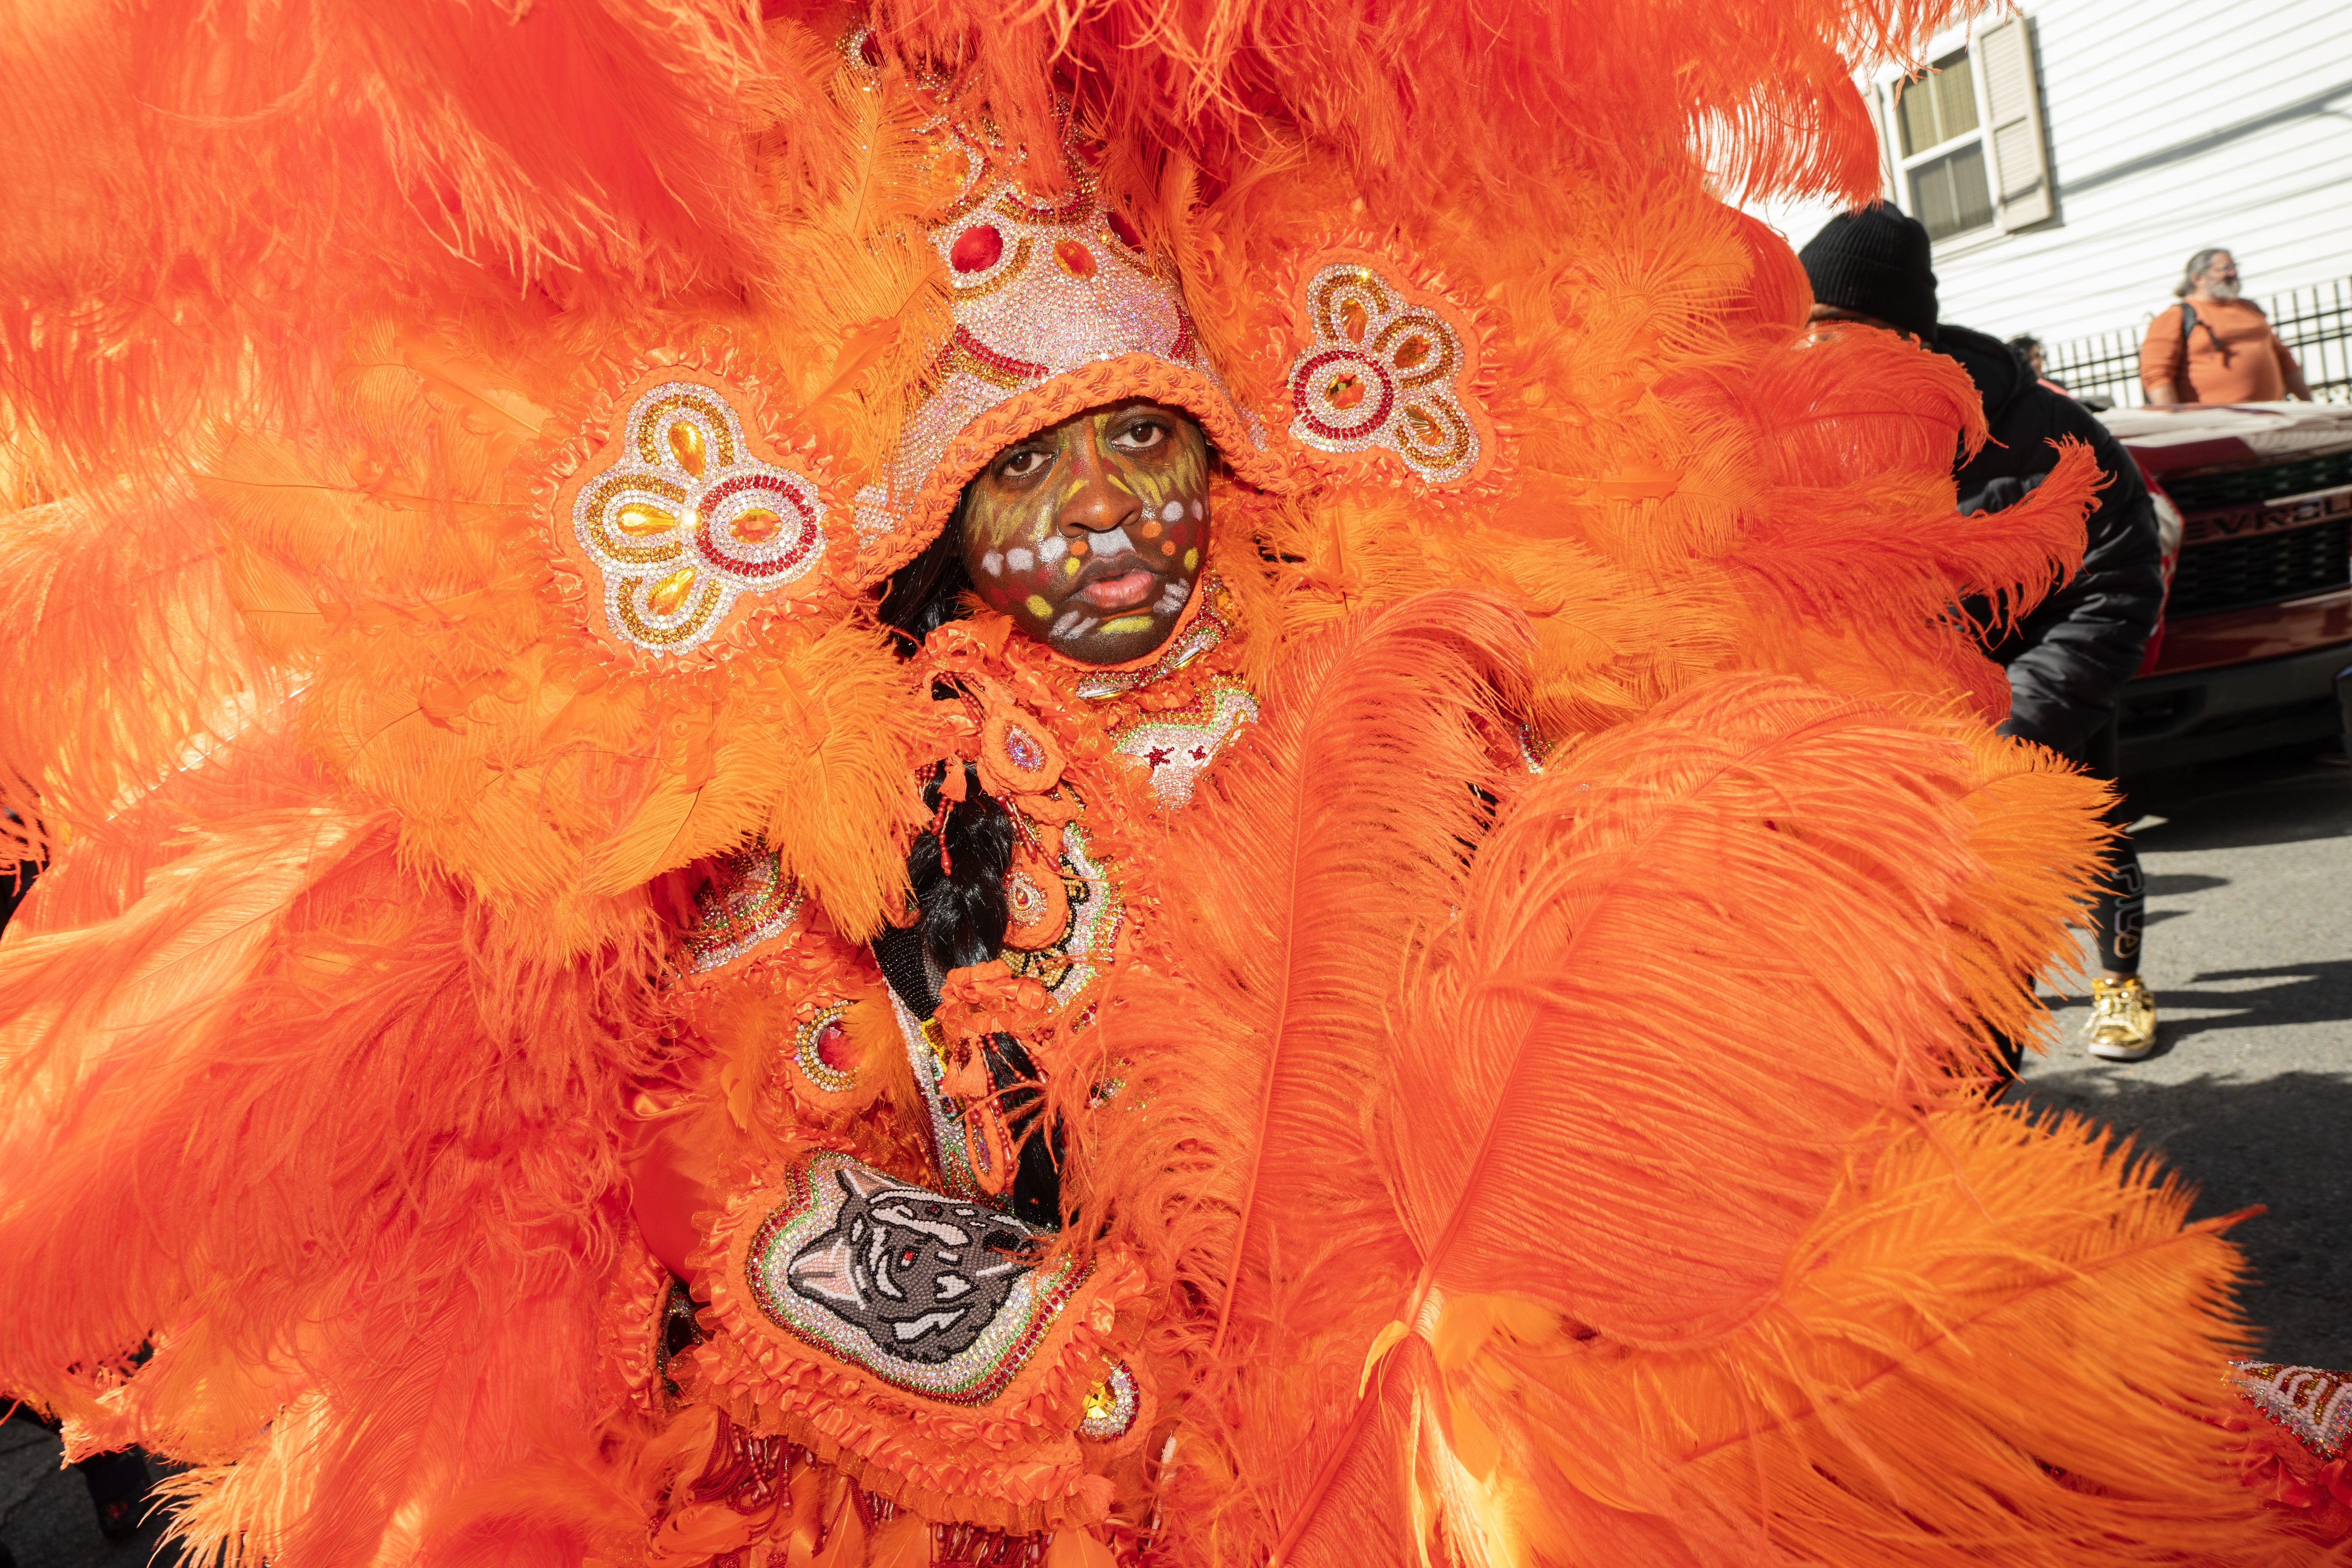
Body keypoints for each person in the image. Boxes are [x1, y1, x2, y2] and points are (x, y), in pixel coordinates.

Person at [3, 9, 2348, 1568]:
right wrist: (1147, 1403)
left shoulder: (1401, 658)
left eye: (1149, 450)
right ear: (933, 539)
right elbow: (751, 1206)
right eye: (1043, 479)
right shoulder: (849, 808)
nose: (1113, 521)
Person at [1800, 206, 2168, 1062]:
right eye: (1805, 336)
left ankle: (2116, 982)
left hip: (2035, 716)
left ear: (1901, 335)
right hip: (1897, 746)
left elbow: (2112, 589)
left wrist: (2012, 720)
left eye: (1832, 333)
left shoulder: (2048, 436)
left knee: (2088, 839)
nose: (1811, 357)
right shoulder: (1809, 434)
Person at [2140, 248, 2316, 405]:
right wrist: (2175, 421)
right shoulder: (2176, 316)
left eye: (2235, 267)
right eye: (2225, 268)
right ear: (2198, 278)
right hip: (2218, 426)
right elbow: (2156, 375)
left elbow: (2284, 359)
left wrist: (2309, 404)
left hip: (2272, 417)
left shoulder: (2249, 309)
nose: (2233, 273)